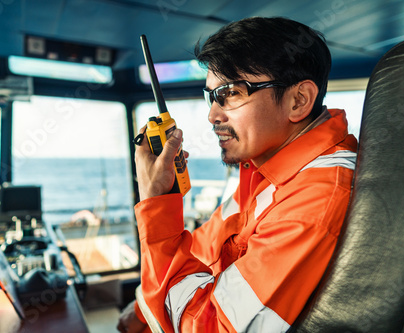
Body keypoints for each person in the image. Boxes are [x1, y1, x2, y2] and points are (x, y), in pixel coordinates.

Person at [118, 16, 357, 333]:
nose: (212, 115)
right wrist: (140, 310)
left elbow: (209, 328)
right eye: (212, 96)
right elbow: (205, 247)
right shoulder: (263, 169)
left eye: (231, 93)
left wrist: (157, 203)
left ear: (299, 100)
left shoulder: (317, 197)